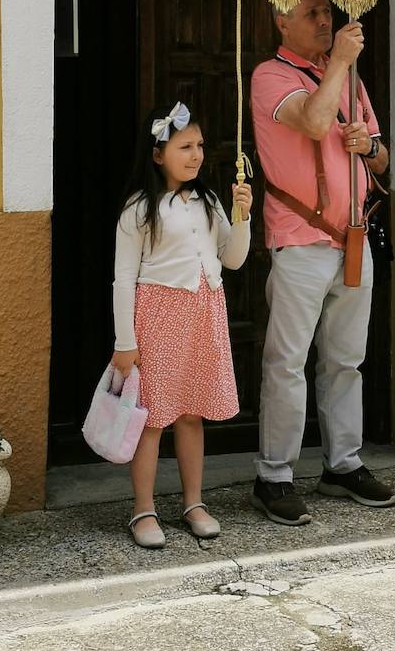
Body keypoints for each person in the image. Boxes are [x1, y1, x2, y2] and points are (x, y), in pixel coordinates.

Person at [250, 0, 395, 525]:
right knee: (286, 363)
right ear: (281, 20)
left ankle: (343, 463)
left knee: (346, 360)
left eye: (327, 12)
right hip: (301, 239)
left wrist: (369, 146)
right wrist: (338, 65)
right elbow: (313, 121)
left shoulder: (349, 78)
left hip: (352, 237)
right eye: (311, 12)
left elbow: (384, 161)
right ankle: (274, 474)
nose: (324, 20)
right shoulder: (272, 75)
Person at [111, 101, 253, 548]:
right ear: (158, 154)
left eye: (199, 146)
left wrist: (243, 215)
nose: (196, 155)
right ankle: (143, 509)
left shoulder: (209, 201)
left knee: (192, 414)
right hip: (158, 317)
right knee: (152, 418)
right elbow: (123, 279)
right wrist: (124, 342)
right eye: (184, 146)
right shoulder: (139, 210)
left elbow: (233, 259)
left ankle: (193, 502)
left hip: (204, 313)